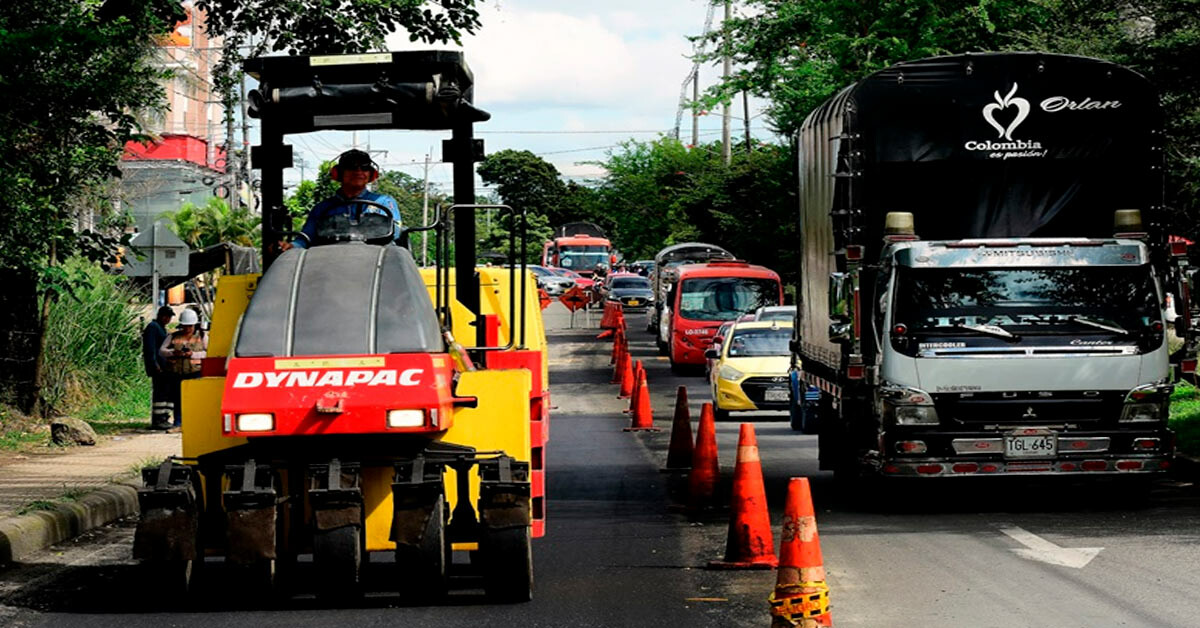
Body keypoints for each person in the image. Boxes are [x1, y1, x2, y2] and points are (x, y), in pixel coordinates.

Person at [291, 149, 402, 249]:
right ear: (338, 173)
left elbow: (395, 233)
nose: (358, 171)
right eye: (352, 167)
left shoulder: (384, 202)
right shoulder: (322, 208)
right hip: (329, 261)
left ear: (371, 174)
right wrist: (291, 247)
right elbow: (305, 238)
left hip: (376, 258)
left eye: (364, 168)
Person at [159, 308, 208, 429]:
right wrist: (173, 353)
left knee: (195, 400)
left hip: (195, 372)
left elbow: (209, 353)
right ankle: (178, 423)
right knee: (178, 399)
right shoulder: (173, 336)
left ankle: (196, 424)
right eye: (185, 326)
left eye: (190, 326)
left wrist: (192, 354)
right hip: (177, 373)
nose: (187, 329)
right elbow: (162, 351)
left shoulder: (202, 336)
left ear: (194, 325)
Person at [142, 306, 174, 430]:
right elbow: (150, 349)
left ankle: (164, 417)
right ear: (161, 316)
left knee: (166, 392)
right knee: (160, 393)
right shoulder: (153, 327)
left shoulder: (161, 328)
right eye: (167, 316)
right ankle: (158, 419)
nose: (168, 319)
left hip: (165, 367)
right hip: (158, 367)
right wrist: (154, 364)